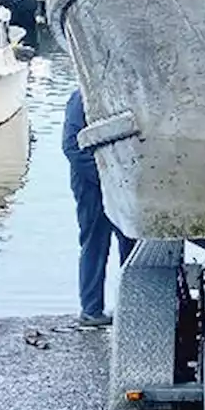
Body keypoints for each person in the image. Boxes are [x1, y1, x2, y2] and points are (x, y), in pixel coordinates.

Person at [62, 88, 135, 327]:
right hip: (91, 187)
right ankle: (91, 309)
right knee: (94, 242)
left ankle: (131, 307)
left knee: (131, 246)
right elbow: (72, 147)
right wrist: (106, 179)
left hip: (125, 184)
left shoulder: (126, 94)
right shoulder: (80, 98)